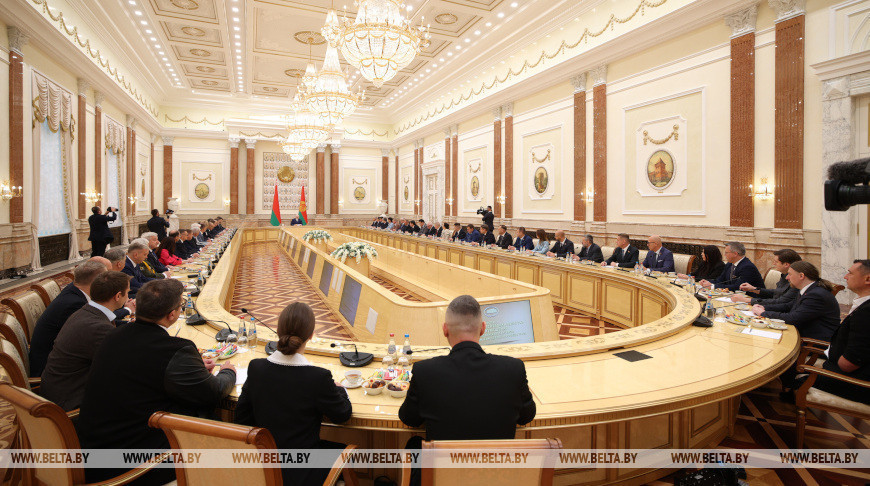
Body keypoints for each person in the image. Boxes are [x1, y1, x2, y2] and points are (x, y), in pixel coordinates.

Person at [77, 279, 235, 485]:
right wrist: (228, 372)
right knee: (215, 423)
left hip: (93, 449)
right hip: (134, 463)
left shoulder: (114, 334)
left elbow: (144, 371)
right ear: (172, 315)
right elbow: (212, 392)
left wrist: (190, 369)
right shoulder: (175, 349)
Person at [236, 303, 352, 486]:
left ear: (278, 331)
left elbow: (241, 418)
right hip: (302, 473)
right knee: (344, 451)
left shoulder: (256, 367)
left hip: (261, 469)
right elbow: (343, 414)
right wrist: (340, 389)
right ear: (311, 335)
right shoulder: (318, 377)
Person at [399, 295, 535, 440]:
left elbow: (409, 419)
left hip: (444, 456)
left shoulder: (424, 371)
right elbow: (526, 416)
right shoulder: (514, 369)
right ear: (483, 328)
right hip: (496, 456)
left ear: (445, 330)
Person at [40, 271, 130, 411]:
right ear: (118, 296)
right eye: (127, 293)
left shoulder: (85, 312)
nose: (128, 297)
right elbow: (120, 367)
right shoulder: (98, 327)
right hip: (70, 404)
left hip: (60, 389)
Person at [28, 260, 108, 377]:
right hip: (53, 372)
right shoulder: (73, 304)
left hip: (59, 362)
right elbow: (90, 336)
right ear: (96, 282)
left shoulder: (74, 290)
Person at [810, 260, 870, 404]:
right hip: (844, 366)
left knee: (795, 376)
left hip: (856, 383)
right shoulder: (863, 305)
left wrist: (831, 360)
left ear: (868, 279)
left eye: (850, 273)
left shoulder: (866, 312)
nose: (845, 276)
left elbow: (848, 364)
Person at [752, 261, 839, 341]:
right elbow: (789, 305)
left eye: (790, 274)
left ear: (801, 276)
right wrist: (765, 307)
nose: (787, 278)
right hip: (801, 333)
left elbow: (793, 318)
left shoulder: (816, 294)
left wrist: (763, 313)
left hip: (812, 342)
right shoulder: (809, 289)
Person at [732, 249, 801, 309]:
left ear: (786, 264)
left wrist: (748, 300)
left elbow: (781, 301)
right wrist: (754, 289)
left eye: (776, 262)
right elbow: (777, 292)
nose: (773, 264)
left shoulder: (796, 281)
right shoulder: (784, 274)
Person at [700, 241, 765, 291]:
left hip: (752, 298)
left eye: (726, 253)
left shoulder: (747, 267)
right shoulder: (729, 264)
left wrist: (713, 286)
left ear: (735, 254)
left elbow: (738, 287)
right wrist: (707, 282)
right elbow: (720, 280)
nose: (725, 255)